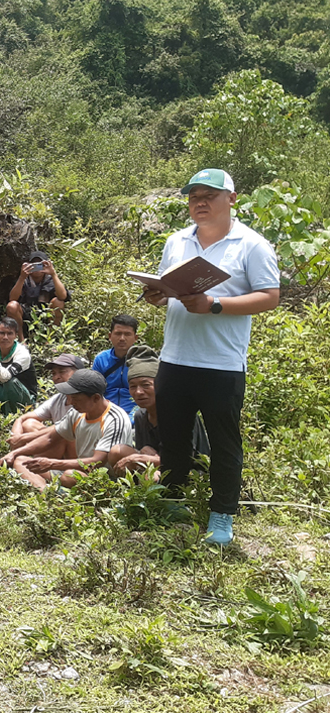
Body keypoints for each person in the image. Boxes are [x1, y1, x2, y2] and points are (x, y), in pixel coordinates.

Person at [143, 169, 280, 546]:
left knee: (223, 443)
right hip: (174, 358)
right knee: (173, 438)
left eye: (209, 195)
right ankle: (173, 503)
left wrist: (214, 304)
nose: (199, 203)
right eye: (193, 197)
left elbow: (269, 296)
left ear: (232, 199)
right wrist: (158, 294)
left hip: (221, 363)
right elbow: (167, 285)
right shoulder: (176, 241)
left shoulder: (251, 245)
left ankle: (222, 516)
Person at [0, 369, 133, 490]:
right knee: (21, 461)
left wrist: (52, 463)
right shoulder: (78, 412)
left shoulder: (115, 419)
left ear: (96, 398)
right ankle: (44, 493)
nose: (71, 402)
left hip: (104, 478)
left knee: (70, 475)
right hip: (80, 469)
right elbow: (51, 437)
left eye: (76, 399)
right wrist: (15, 453)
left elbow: (96, 462)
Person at [107, 346, 210, 478]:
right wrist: (144, 457)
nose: (138, 392)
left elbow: (184, 461)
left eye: (146, 385)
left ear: (160, 385)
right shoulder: (140, 416)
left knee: (151, 475)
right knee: (117, 452)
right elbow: (145, 451)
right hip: (159, 464)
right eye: (133, 386)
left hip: (191, 473)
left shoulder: (180, 413)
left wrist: (140, 459)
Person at [9, 353, 88, 455]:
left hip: (81, 453)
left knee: (65, 435)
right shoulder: (59, 399)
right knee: (29, 424)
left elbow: (64, 428)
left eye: (62, 372)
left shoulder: (86, 399)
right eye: (54, 373)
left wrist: (24, 438)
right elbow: (23, 418)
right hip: (60, 449)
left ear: (79, 373)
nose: (57, 377)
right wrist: (16, 435)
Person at [6, 250, 69, 339]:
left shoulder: (50, 279)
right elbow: (12, 298)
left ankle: (50, 339)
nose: (37, 269)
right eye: (33, 265)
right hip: (26, 314)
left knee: (59, 302)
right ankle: (21, 340)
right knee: (11, 306)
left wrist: (53, 274)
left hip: (46, 314)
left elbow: (63, 296)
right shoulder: (24, 278)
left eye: (40, 265)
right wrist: (22, 277)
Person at [92, 314, 139, 418]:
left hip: (135, 413)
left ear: (135, 338)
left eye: (127, 334)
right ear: (110, 336)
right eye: (118, 333)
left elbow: (147, 394)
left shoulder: (142, 359)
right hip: (105, 412)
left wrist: (132, 418)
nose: (122, 338)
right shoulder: (101, 359)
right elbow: (94, 391)